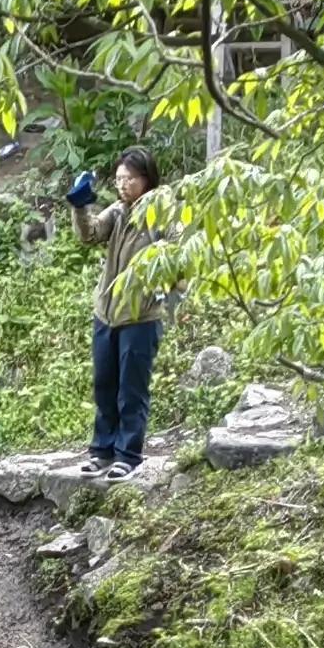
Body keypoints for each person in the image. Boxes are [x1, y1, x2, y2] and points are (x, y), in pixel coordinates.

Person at [66, 148, 181, 479]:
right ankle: (101, 450)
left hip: (140, 315)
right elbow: (89, 235)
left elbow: (177, 259)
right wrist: (80, 205)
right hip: (106, 312)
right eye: (118, 179)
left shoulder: (162, 214)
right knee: (105, 383)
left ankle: (128, 455)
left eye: (129, 179)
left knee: (132, 387)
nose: (123, 185)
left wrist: (165, 289)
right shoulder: (118, 212)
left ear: (146, 178)